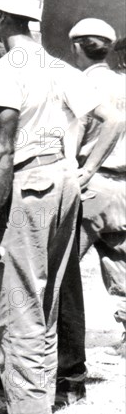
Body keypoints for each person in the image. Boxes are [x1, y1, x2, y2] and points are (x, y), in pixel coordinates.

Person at [0, 0, 121, 414]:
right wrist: (85, 169)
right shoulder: (58, 67)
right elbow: (112, 120)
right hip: (63, 183)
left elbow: (1, 152)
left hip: (28, 187)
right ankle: (40, 396)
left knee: (19, 304)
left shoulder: (6, 70)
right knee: (46, 297)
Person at [70, 18, 126, 353]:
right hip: (123, 185)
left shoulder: (81, 85)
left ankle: (56, 342)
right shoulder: (123, 83)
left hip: (93, 181)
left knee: (58, 264)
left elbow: (73, 137)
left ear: (77, 47)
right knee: (120, 259)